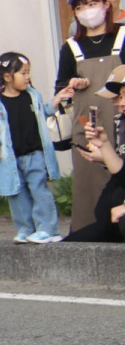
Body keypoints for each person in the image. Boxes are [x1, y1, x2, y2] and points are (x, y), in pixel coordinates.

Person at [53, 0, 125, 231]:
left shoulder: (123, 35)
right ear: (74, 13)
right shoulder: (70, 47)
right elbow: (60, 91)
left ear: (106, 4)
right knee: (88, 181)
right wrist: (71, 85)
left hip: (120, 119)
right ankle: (87, 231)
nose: (88, 10)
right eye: (81, 7)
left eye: (92, 3)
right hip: (87, 123)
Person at [0, 52, 63, 243]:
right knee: (16, 194)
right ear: (7, 77)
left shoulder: (32, 96)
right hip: (10, 157)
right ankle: (25, 229)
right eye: (23, 73)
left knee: (39, 189)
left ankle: (48, 229)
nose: (28, 77)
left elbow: (43, 112)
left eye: (28, 72)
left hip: (34, 153)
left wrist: (58, 99)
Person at [66, 65, 125, 242]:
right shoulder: (120, 122)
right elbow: (122, 175)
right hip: (112, 219)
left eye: (122, 96)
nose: (119, 103)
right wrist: (104, 145)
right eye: (118, 97)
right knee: (68, 248)